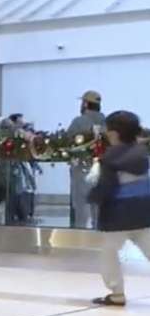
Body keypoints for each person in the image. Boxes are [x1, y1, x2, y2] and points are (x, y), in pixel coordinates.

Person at [88, 111, 150, 307]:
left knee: (109, 252)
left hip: (117, 215)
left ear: (114, 133)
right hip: (143, 213)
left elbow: (106, 187)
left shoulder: (110, 158)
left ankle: (117, 293)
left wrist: (93, 197)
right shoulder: (142, 154)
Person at [68, 91, 106, 228]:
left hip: (82, 169)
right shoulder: (106, 123)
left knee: (81, 207)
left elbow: (67, 142)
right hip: (102, 169)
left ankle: (81, 237)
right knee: (99, 206)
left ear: (85, 103)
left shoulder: (78, 122)